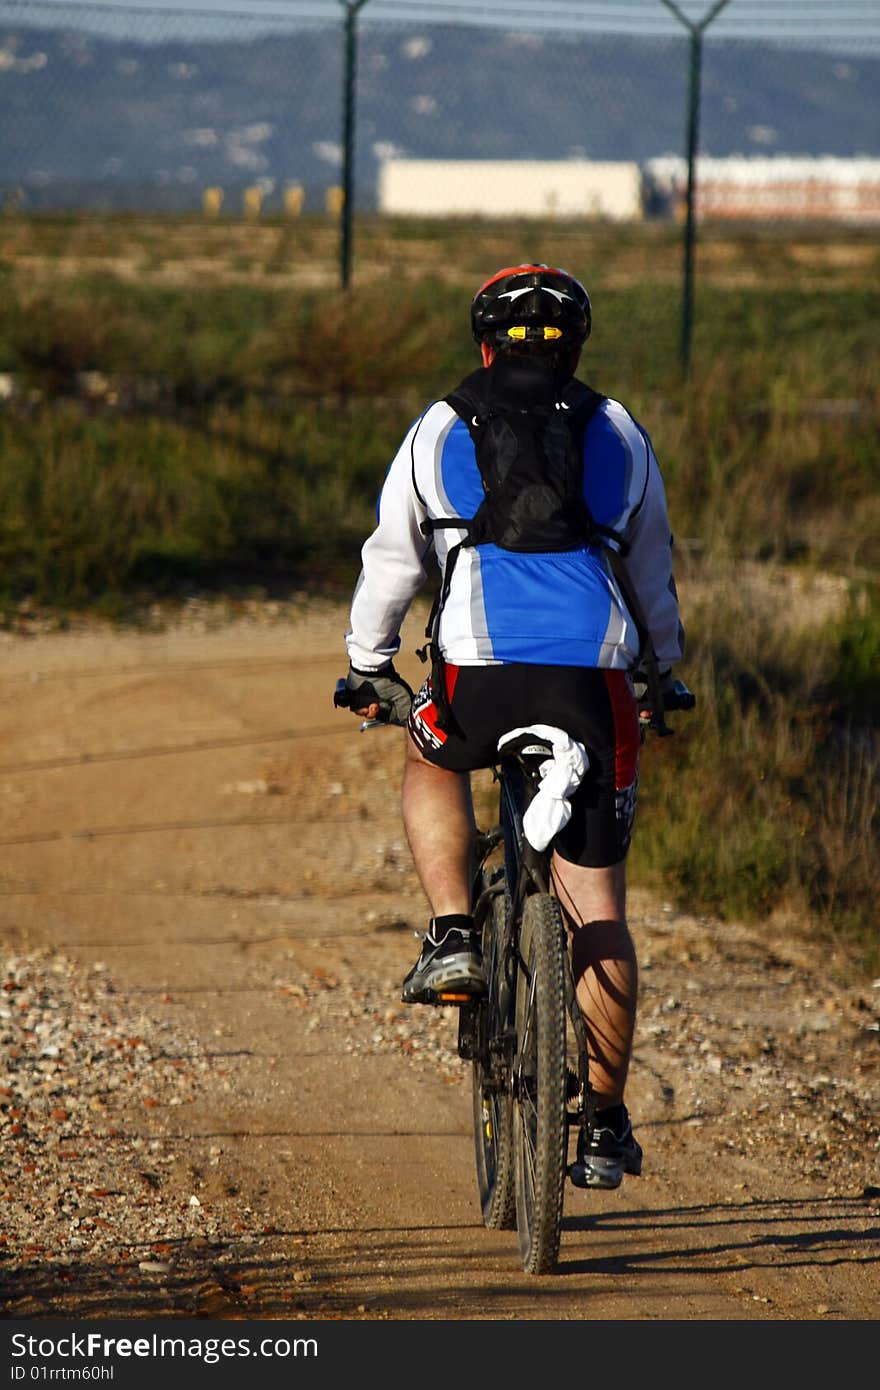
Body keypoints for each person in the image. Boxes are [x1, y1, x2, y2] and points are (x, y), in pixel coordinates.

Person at [337, 263, 685, 1190]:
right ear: (576, 346)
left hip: (477, 669)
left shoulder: (440, 425)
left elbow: (392, 558)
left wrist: (369, 661)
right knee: (599, 905)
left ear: (482, 342)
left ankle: (454, 932)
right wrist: (665, 669)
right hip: (594, 676)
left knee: (431, 757)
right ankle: (605, 1127)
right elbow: (651, 570)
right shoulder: (618, 431)